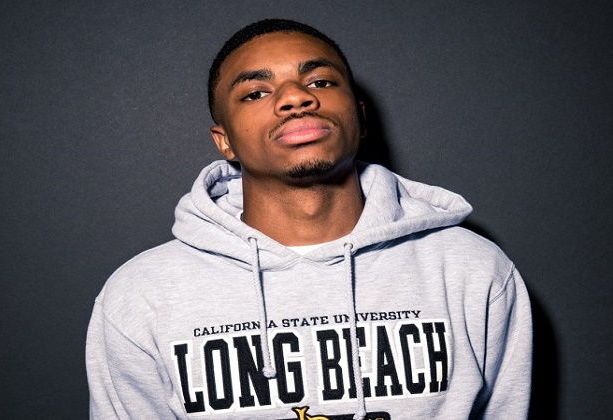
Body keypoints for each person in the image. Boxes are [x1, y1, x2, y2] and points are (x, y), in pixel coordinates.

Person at [86, 18, 532, 420]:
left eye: (319, 81)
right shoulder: (141, 295)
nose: (295, 98)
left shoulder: (472, 271)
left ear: (359, 117)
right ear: (225, 142)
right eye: (256, 92)